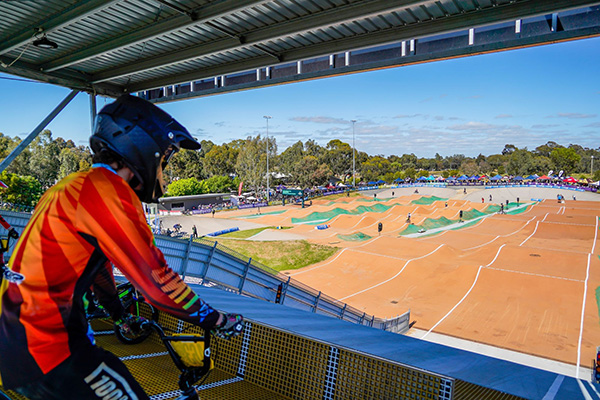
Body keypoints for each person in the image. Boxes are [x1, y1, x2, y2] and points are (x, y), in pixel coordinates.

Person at [0, 95, 244, 400]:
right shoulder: (108, 190)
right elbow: (158, 283)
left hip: (17, 338)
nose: (164, 170)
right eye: (165, 159)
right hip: (46, 345)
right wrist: (218, 320)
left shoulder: (71, 185)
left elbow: (97, 269)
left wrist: (119, 316)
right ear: (143, 149)